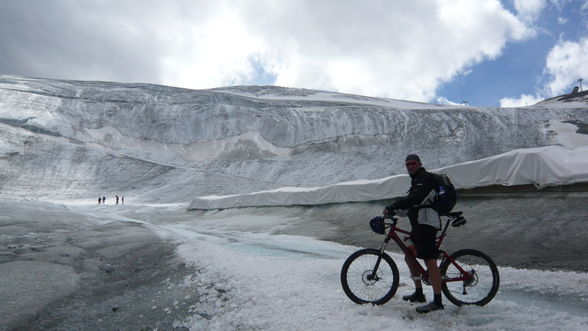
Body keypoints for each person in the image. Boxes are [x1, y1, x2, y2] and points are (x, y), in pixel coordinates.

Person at [383, 154, 444, 313]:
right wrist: (394, 211)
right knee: (409, 254)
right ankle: (419, 293)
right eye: (407, 164)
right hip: (419, 225)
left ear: (419, 164)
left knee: (430, 260)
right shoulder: (416, 181)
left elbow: (415, 199)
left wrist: (394, 204)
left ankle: (438, 301)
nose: (410, 166)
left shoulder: (425, 178)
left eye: (413, 163)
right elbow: (412, 205)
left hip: (427, 224)